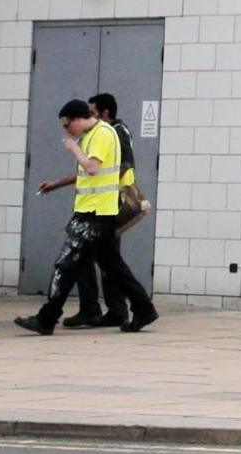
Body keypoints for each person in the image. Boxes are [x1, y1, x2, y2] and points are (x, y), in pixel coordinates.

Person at [17, 97, 154, 335]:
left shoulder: (102, 133)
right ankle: (144, 309)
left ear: (79, 119)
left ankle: (46, 318)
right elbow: (86, 172)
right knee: (113, 267)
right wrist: (56, 184)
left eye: (67, 125)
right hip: (95, 211)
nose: (66, 131)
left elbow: (92, 168)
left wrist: (74, 148)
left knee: (66, 263)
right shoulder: (91, 135)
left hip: (95, 213)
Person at [64, 92, 141, 328]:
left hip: (107, 205)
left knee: (98, 260)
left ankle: (110, 308)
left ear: (105, 113)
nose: (89, 116)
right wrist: (57, 184)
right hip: (99, 204)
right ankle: (119, 309)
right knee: (106, 260)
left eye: (93, 112)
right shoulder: (99, 134)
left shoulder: (113, 133)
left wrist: (108, 195)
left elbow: (109, 168)